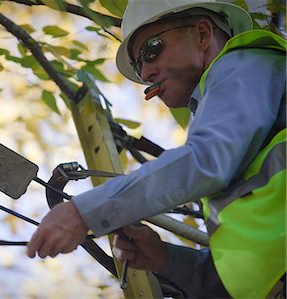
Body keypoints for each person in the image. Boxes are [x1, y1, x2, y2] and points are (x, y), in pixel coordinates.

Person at [27, 0, 286, 297]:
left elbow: (203, 162)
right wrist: (164, 259)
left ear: (202, 34)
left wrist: (83, 212)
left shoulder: (244, 64)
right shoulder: (242, 137)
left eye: (151, 49)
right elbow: (245, 280)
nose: (146, 72)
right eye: (138, 66)